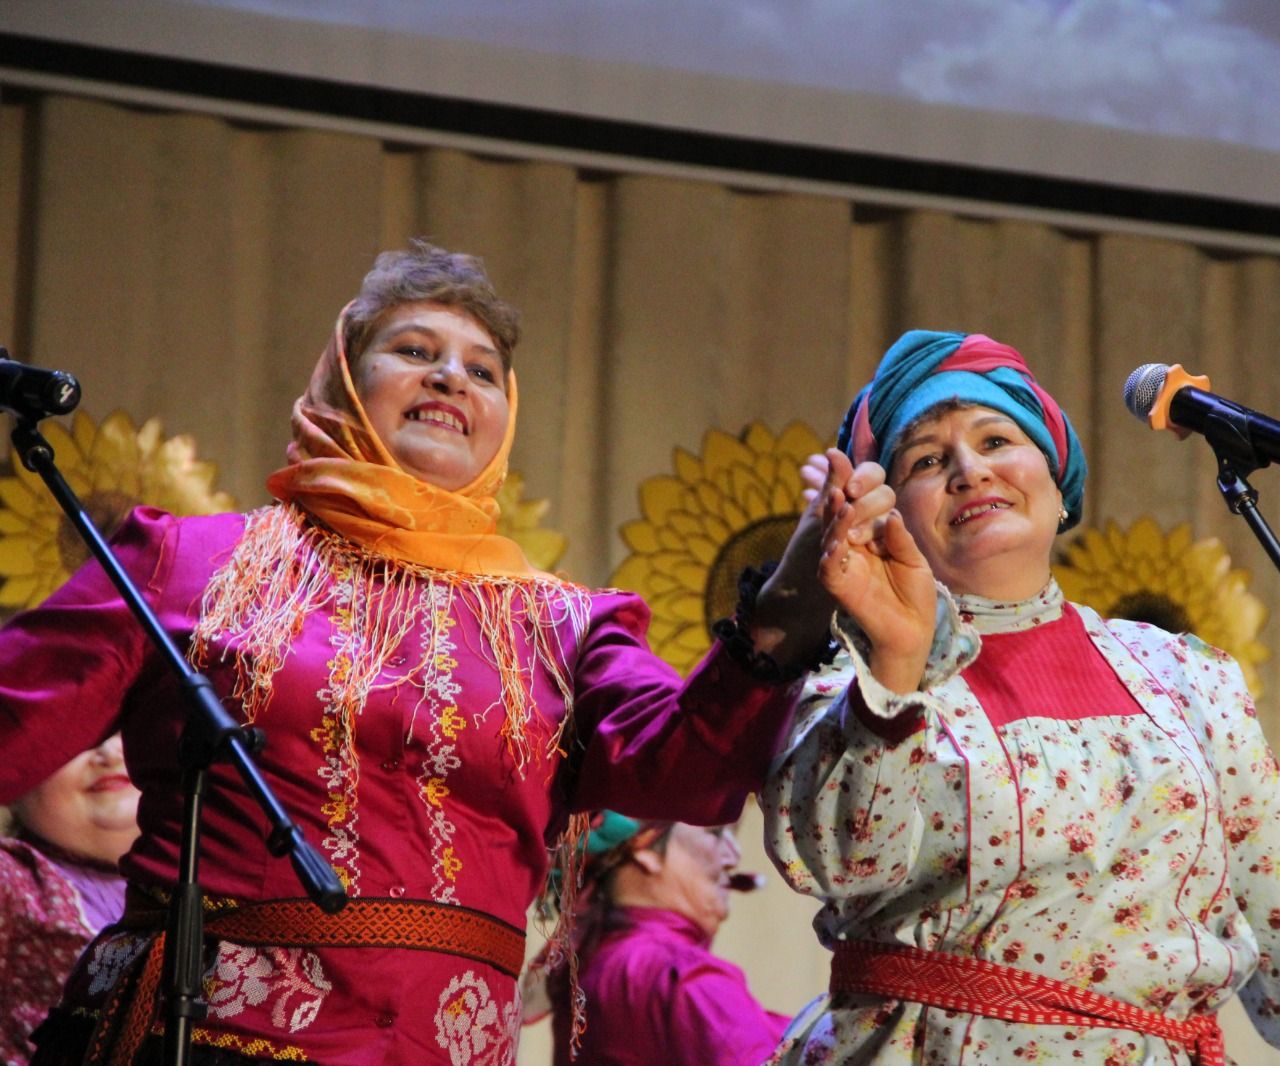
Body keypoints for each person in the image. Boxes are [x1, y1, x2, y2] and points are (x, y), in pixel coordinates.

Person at [0, 241, 886, 1065]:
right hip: (204, 1038)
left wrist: (791, 600)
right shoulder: (188, 563)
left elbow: (684, 770)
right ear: (345, 381)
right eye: (414, 350)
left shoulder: (566, 626)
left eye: (484, 370)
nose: (451, 376)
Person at [760, 330, 1280, 1064]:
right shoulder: (865, 677)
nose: (968, 470)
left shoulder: (1186, 678)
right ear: (890, 520)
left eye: (996, 441)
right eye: (927, 459)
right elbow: (840, 862)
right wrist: (894, 662)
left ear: (1059, 487)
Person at [530, 811, 788, 1065]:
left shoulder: (583, 972)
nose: (733, 856)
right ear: (646, 850)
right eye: (716, 832)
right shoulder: (682, 977)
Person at [1, 734, 139, 1065]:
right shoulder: (14, 878)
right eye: (79, 735)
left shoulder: (220, 878)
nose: (108, 752)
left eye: (123, 729)